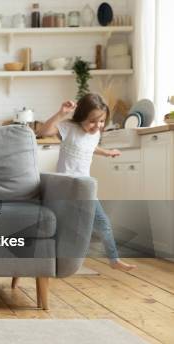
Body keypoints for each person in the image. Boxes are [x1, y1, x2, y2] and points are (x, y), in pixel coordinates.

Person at [38, 93, 137, 271]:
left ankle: (114, 260)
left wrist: (106, 152)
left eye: (101, 122)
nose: (97, 126)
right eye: (92, 121)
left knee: (103, 223)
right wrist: (61, 113)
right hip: (66, 187)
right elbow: (43, 132)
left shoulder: (95, 134)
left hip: (85, 188)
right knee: (57, 225)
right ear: (81, 116)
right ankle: (46, 261)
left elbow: (90, 147)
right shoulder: (68, 128)